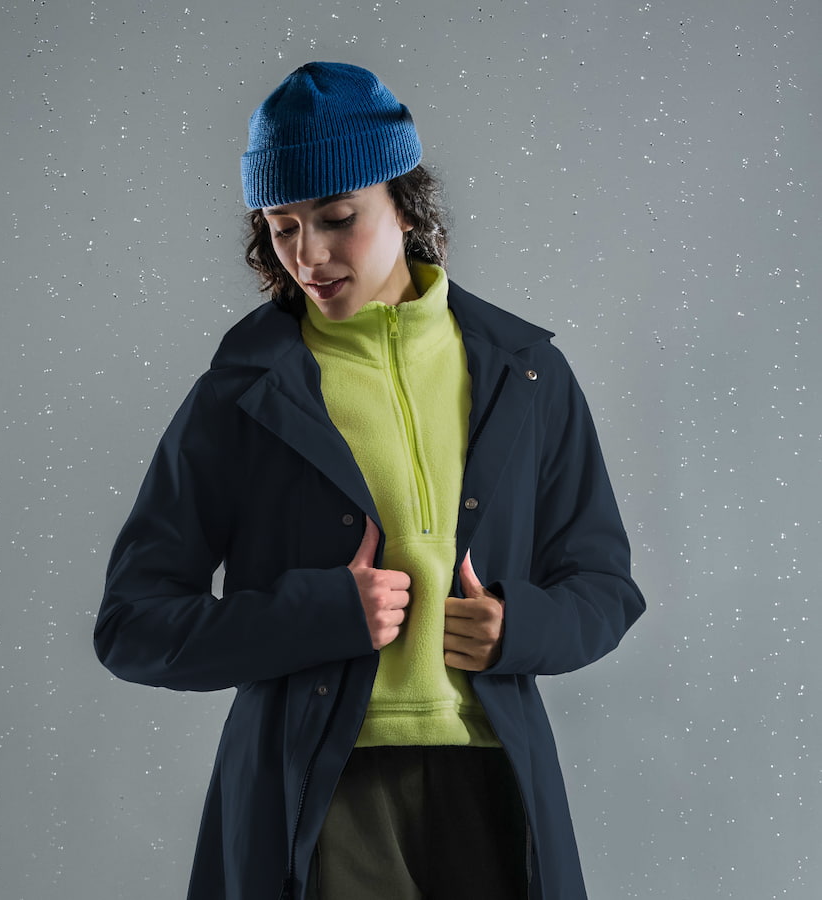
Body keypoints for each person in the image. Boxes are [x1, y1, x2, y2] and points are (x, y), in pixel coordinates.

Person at [94, 61, 646, 900]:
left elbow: (604, 585)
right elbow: (133, 623)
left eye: (337, 217)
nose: (307, 256)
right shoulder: (241, 394)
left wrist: (519, 628)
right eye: (282, 227)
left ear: (406, 203)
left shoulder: (527, 375)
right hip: (321, 789)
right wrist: (316, 616)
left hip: (494, 779)